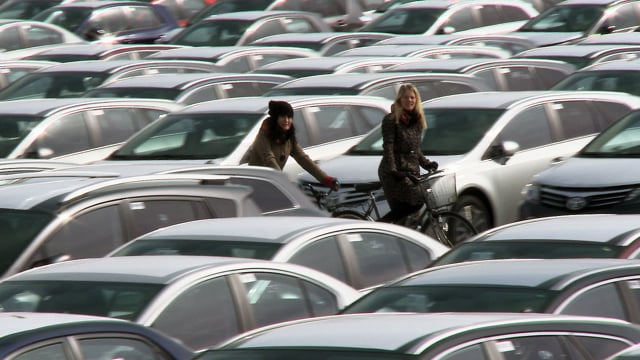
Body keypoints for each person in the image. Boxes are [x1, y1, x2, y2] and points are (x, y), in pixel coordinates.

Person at [378, 84, 438, 223]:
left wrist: (426, 164)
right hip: (393, 173)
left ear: (416, 100)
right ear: (400, 99)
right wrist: (394, 171)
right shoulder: (391, 119)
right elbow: (388, 146)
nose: (409, 100)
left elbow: (415, 149)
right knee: (413, 202)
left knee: (414, 205)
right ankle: (380, 226)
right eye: (406, 97)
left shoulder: (417, 120)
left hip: (410, 172)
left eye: (412, 97)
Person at [247, 100, 340, 190]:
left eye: (289, 117)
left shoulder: (288, 136)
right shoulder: (264, 135)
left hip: (275, 182)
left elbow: (302, 158)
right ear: (275, 118)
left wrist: (325, 178)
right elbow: (268, 159)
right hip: (258, 184)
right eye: (282, 116)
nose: (287, 120)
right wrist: (284, 180)